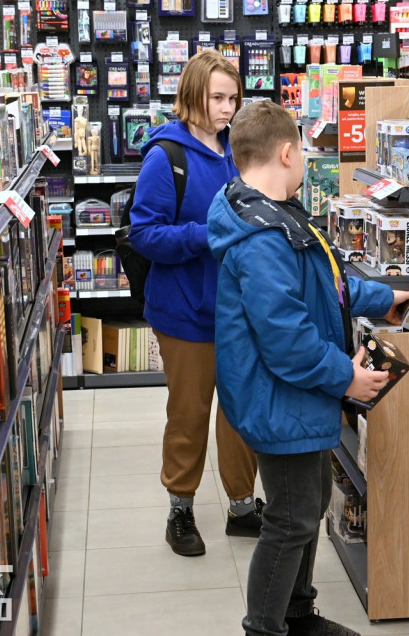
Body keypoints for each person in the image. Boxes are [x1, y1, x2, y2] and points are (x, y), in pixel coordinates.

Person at [208, 100, 409, 636]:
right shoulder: (263, 239)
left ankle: (297, 614)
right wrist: (346, 376)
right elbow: (287, 340)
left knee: (310, 504)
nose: (303, 159)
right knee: (290, 518)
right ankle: (265, 627)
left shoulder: (279, 216)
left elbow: (325, 287)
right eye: (301, 150)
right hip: (279, 398)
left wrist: (381, 298)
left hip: (295, 397)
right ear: (286, 152)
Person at [128, 49, 260, 557]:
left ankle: (242, 506)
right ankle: (180, 509)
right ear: (191, 96)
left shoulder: (237, 149)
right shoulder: (167, 157)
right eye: (217, 98)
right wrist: (208, 234)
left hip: (239, 309)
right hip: (185, 311)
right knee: (189, 413)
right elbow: (145, 234)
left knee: (240, 411)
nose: (227, 109)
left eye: (233, 98)